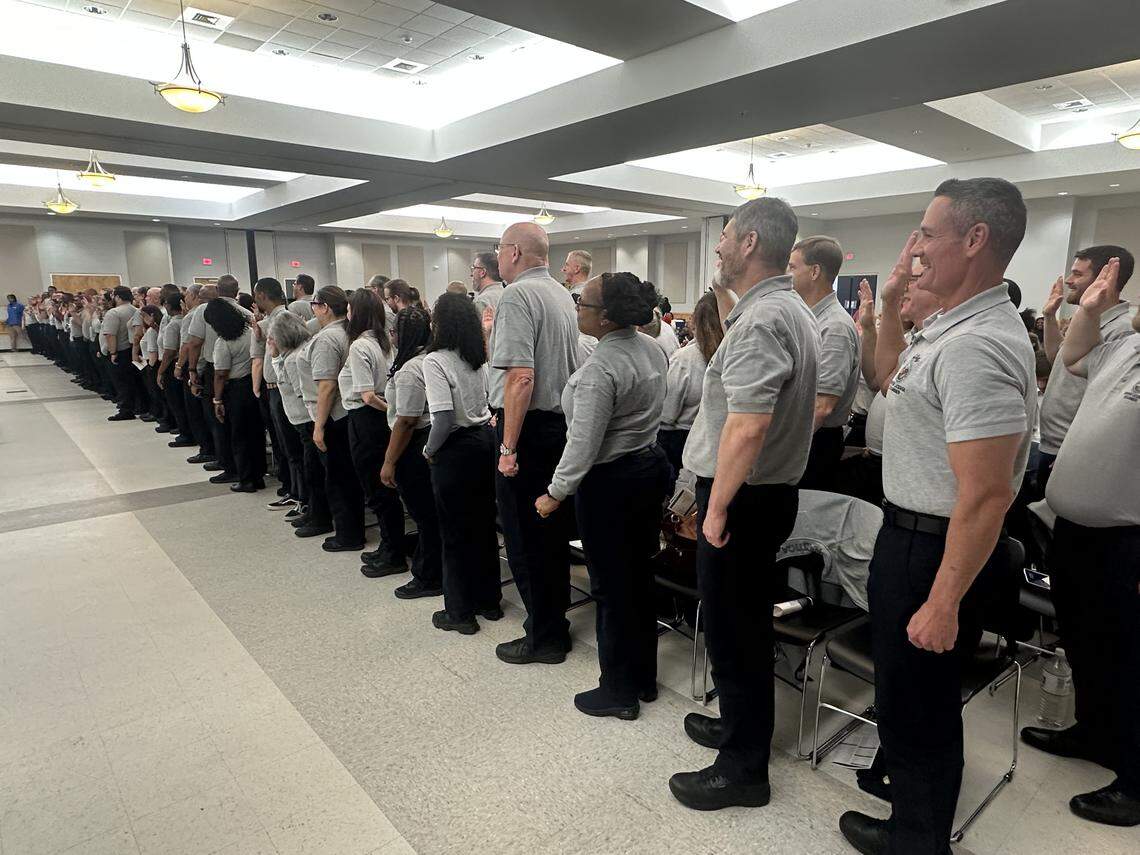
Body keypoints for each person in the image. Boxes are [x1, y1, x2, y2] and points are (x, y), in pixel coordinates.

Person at [838, 178, 1035, 855]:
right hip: (913, 536)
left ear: (975, 240)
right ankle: (909, 812)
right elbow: (892, 374)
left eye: (927, 232)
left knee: (919, 704)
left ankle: (918, 841)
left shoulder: (977, 343)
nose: (915, 247)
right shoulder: (953, 325)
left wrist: (945, 598)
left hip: (935, 548)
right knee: (906, 693)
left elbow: (985, 494)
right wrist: (889, 305)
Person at [667, 197, 819, 811]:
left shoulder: (761, 320)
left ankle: (742, 769)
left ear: (751, 242)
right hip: (765, 493)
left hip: (744, 496)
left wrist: (717, 508)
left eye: (726, 236)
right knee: (742, 623)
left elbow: (748, 426)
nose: (720, 247)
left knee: (735, 631)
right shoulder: (789, 308)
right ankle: (739, 728)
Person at [1029, 260, 1140, 826]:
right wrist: (1089, 311)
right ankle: (1097, 735)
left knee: (1129, 657)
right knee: (1086, 644)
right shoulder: (1125, 346)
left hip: (1127, 541)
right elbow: (1070, 359)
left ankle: (1136, 782)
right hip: (1078, 532)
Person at [536, 272, 670, 719]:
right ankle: (643, 679)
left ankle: (618, 690)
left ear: (607, 317)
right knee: (639, 580)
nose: (577, 309)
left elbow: (583, 444)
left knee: (612, 588)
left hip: (610, 485)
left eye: (582, 303)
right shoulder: (651, 349)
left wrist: (555, 493)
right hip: (647, 471)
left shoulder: (600, 370)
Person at [489, 221, 581, 665]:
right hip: (558, 425)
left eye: (499, 249)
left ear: (515, 253)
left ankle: (542, 636)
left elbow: (521, 376)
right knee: (550, 537)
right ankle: (554, 625)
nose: (497, 257)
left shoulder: (517, 296)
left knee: (524, 538)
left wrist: (508, 448)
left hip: (527, 427)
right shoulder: (561, 294)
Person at [421, 293, 501, 634]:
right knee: (483, 525)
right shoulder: (476, 357)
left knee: (454, 532)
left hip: (454, 447)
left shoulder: (435, 361)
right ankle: (489, 602)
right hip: (483, 442)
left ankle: (459, 612)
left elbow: (441, 418)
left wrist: (428, 450)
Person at [1036, 246, 1134, 490]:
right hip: (1052, 443)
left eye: (1078, 274)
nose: (1069, 280)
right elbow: (1061, 360)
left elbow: (1110, 403)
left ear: (1106, 277)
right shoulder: (1085, 319)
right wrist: (1049, 316)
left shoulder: (1121, 329)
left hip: (1068, 450)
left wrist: (1075, 452)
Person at [340, 289, 407, 573]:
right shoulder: (384, 343)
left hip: (366, 419)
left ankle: (392, 554)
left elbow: (367, 395)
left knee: (376, 489)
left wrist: (388, 410)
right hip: (380, 419)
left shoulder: (359, 346)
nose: (347, 313)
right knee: (385, 489)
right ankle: (389, 546)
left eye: (349, 308)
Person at [380, 307, 444, 598]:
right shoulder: (433, 358)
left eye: (393, 332)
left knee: (424, 515)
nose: (390, 337)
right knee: (431, 514)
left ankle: (428, 576)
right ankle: (432, 568)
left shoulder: (410, 370)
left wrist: (389, 462)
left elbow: (405, 421)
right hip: (430, 439)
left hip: (414, 442)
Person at [788, 235, 859, 491]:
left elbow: (822, 406)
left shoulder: (834, 326)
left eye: (793, 267)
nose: (788, 274)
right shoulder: (810, 318)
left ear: (815, 271)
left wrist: (784, 448)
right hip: (804, 436)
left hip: (815, 441)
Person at [302, 286, 366, 552]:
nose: (313, 310)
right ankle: (350, 530)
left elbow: (326, 386)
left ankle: (348, 535)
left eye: (314, 305)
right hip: (346, 414)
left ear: (325, 307)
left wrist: (318, 426)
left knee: (339, 479)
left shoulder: (329, 338)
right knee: (345, 477)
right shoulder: (348, 332)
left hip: (334, 416)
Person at [271, 311, 332, 535]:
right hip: (304, 420)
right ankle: (313, 512)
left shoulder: (296, 358)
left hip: (308, 421)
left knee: (313, 472)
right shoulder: (294, 354)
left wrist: (317, 426)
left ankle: (319, 516)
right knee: (310, 470)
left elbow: (301, 393)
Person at [657, 292, 722, 485]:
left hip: (679, 441)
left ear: (695, 321)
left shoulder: (685, 359)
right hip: (714, 439)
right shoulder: (732, 355)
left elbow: (667, 414)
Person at [206, 299, 266, 493]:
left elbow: (221, 374)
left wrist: (217, 399)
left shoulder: (223, 343)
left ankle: (246, 479)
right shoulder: (250, 333)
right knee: (256, 433)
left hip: (236, 390)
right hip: (254, 385)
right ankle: (259, 475)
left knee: (239, 436)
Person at [251, 278, 294, 509]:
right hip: (273, 388)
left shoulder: (281, 319)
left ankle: (292, 489)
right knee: (280, 442)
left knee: (286, 443)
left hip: (280, 388)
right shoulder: (272, 320)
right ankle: (289, 486)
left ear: (262, 295)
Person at [156, 290, 194, 447]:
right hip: (183, 363)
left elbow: (170, 351)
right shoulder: (185, 320)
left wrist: (161, 371)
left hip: (175, 364)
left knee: (176, 402)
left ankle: (185, 432)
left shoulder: (174, 324)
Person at [101, 285, 140, 421]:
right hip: (131, 350)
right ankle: (135, 406)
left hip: (119, 351)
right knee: (131, 381)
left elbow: (110, 334)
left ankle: (125, 409)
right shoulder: (136, 310)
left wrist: (113, 352)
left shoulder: (114, 313)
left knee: (121, 382)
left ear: (117, 297)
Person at [471, 251, 505, 321]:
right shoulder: (508, 294)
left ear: (482, 272)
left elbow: (479, 331)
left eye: (474, 268)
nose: (471, 274)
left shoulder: (482, 301)